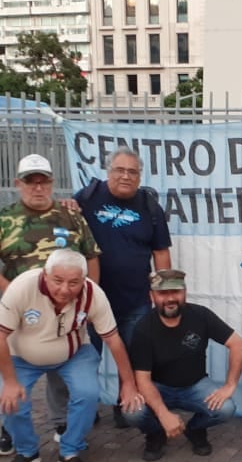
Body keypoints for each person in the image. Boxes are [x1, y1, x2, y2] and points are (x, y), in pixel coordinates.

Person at [0, 154, 100, 457]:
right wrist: (8, 290)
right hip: (21, 311)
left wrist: (90, 294)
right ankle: (10, 428)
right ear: (18, 184)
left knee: (63, 363)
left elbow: (91, 255)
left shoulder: (71, 216)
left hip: (66, 306)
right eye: (30, 181)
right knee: (15, 365)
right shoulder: (4, 219)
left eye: (43, 181)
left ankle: (62, 422)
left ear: (51, 183)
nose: (37, 187)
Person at [0, 250, 140, 462]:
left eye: (74, 283)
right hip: (21, 357)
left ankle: (70, 450)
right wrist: (9, 381)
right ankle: (26, 451)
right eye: (57, 281)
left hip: (74, 353)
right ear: (45, 275)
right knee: (9, 403)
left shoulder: (93, 294)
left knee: (88, 394)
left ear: (84, 280)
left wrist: (128, 383)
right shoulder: (22, 287)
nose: (64, 290)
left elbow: (113, 340)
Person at [73, 146, 172, 422]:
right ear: (108, 172)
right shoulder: (87, 198)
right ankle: (86, 409)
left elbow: (161, 252)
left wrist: (162, 292)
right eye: (120, 170)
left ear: (140, 176)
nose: (126, 176)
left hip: (135, 300)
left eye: (133, 172)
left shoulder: (150, 206)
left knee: (132, 358)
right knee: (86, 359)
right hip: (90, 300)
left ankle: (124, 405)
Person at [125, 269, 242, 462]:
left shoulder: (201, 315)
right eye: (163, 293)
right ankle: (156, 433)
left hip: (195, 386)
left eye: (176, 292)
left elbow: (237, 344)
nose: (170, 298)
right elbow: (143, 380)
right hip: (158, 389)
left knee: (226, 409)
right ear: (152, 296)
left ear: (185, 293)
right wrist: (164, 415)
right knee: (131, 413)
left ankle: (195, 429)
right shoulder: (143, 328)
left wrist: (230, 385)